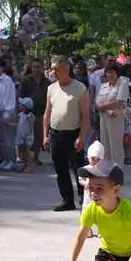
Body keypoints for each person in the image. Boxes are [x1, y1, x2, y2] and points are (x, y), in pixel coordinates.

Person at [43, 57, 89, 212]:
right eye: (52, 68)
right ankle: (67, 200)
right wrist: (45, 135)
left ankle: (84, 199)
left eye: (56, 69)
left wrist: (81, 136)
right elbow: (47, 114)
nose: (53, 72)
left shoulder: (79, 88)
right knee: (60, 169)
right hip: (56, 134)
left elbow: (85, 115)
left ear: (66, 69)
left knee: (78, 168)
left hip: (73, 134)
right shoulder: (51, 88)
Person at [95, 62, 130, 165]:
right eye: (107, 72)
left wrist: (103, 107)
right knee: (105, 145)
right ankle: (106, 170)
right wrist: (107, 110)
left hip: (116, 118)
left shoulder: (122, 84)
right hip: (104, 118)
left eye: (112, 72)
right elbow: (97, 103)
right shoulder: (103, 86)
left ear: (117, 73)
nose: (109, 74)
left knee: (115, 145)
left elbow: (120, 101)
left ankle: (117, 170)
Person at [19, 58, 52, 166]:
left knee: (39, 136)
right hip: (28, 113)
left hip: (41, 113)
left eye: (38, 67)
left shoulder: (47, 82)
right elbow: (20, 96)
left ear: (42, 68)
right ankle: (24, 158)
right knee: (25, 137)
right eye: (34, 67)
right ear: (31, 68)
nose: (36, 69)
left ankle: (36, 157)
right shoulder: (25, 80)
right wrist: (21, 107)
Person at [0, 59, 18, 171]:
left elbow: (9, 97)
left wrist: (6, 113)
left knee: (8, 139)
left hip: (7, 111)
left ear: (2, 68)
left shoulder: (7, 80)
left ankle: (12, 161)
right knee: (1, 139)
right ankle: (5, 159)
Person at [15, 97, 35, 172]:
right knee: (22, 152)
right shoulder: (20, 115)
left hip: (27, 137)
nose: (19, 105)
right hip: (21, 136)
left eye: (21, 104)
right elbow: (18, 124)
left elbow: (30, 127)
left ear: (25, 107)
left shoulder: (29, 116)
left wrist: (27, 135)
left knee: (28, 151)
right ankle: (23, 164)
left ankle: (30, 166)